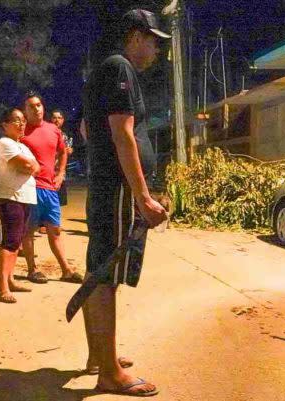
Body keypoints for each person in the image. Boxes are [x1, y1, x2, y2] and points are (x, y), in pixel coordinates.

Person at [81, 9, 170, 397]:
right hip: (116, 190)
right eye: (153, 40)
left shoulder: (108, 69)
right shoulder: (120, 68)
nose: (156, 49)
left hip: (107, 186)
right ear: (135, 36)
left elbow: (88, 129)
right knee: (107, 278)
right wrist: (143, 196)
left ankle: (100, 356)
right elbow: (123, 136)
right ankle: (110, 373)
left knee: (98, 269)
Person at [20, 92, 82, 285]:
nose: (36, 108)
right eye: (31, 106)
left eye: (38, 105)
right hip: (30, 188)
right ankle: (32, 269)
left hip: (50, 189)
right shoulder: (21, 132)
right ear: (25, 110)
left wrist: (61, 173)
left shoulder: (53, 130)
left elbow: (63, 151)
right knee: (28, 231)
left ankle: (66, 270)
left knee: (55, 231)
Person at [0, 108, 40, 303]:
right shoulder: (4, 143)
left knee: (16, 241)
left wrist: (30, 166)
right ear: (5, 124)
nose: (22, 124)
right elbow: (27, 166)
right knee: (10, 242)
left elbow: (36, 167)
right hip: (10, 197)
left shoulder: (22, 146)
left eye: (23, 121)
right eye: (17, 121)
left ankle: (10, 280)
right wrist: (30, 166)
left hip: (24, 198)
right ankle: (2, 287)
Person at [50, 109, 73, 207]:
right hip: (48, 173)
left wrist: (69, 151)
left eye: (59, 118)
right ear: (50, 119)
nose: (57, 120)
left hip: (60, 174)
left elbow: (67, 152)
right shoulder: (48, 134)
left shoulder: (64, 136)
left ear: (63, 120)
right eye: (54, 118)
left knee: (59, 203)